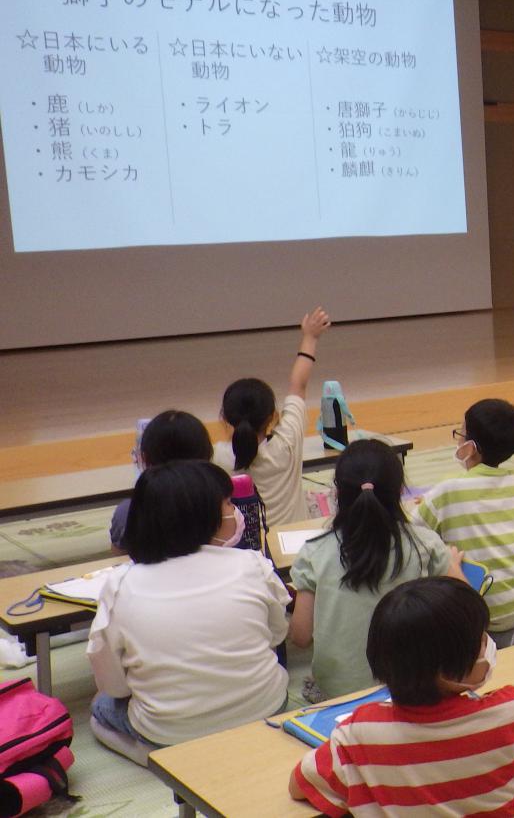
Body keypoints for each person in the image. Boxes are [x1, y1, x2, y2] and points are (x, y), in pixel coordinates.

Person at [290, 577, 514, 817]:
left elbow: (299, 784)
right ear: (447, 671)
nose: (488, 645)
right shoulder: (510, 711)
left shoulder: (359, 732)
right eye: (480, 639)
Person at [87, 460, 290, 758]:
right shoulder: (251, 564)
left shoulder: (120, 584)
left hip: (168, 731)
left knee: (98, 708)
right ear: (202, 516)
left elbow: (114, 685)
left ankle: (159, 760)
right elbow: (276, 634)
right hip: (266, 708)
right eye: (228, 503)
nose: (235, 511)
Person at [290, 440, 465, 701]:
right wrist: (451, 563)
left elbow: (300, 636)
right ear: (399, 491)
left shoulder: (314, 552)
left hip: (338, 695)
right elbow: (467, 606)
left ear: (338, 494)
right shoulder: (425, 544)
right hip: (411, 688)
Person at [414, 399, 514, 646]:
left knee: (463, 622)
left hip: (491, 606)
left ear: (469, 448)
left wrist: (424, 504)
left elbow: (415, 528)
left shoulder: (447, 490)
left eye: (460, 433)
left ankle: (510, 639)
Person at [221, 307, 333, 527]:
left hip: (249, 553)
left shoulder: (219, 457)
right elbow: (298, 384)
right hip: (295, 546)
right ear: (273, 416)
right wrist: (310, 337)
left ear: (225, 417)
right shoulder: (287, 442)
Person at [109, 409, 214, 551]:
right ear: (208, 454)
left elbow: (119, 561)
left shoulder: (129, 512)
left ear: (144, 458)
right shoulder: (225, 506)